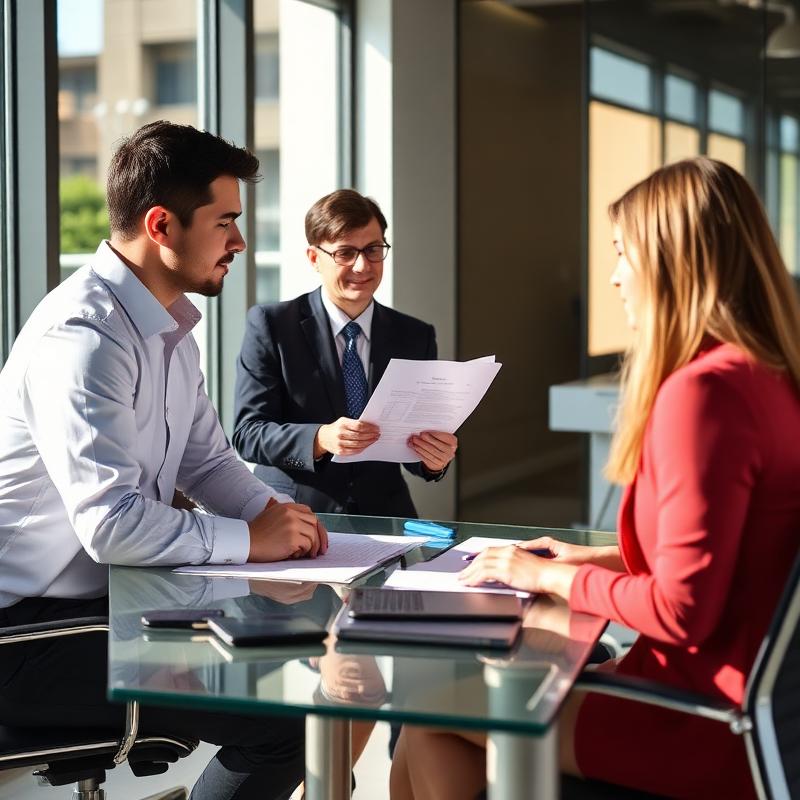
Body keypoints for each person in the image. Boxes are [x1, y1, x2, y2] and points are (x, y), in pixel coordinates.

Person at [390, 157, 800, 799]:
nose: (613, 278)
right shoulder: (771, 378)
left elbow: (683, 610)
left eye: (622, 253)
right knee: (450, 709)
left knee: (430, 716)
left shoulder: (705, 395)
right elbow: (732, 557)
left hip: (699, 720)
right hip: (751, 708)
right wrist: (596, 558)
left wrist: (547, 576)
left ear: (673, 261)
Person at [0, 120, 329, 800]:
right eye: (225, 221)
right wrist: (249, 540)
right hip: (26, 636)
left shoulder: (168, 327)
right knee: (289, 721)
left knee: (299, 665)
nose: (240, 241)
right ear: (161, 225)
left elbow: (207, 461)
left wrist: (273, 515)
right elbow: (111, 524)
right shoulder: (84, 337)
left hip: (105, 603)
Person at [232, 188, 458, 518]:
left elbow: (416, 444)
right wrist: (320, 438)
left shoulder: (415, 335)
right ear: (314, 258)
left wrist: (434, 460)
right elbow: (248, 433)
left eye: (373, 249)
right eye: (345, 253)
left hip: (387, 516)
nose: (362, 265)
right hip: (293, 513)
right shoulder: (271, 325)